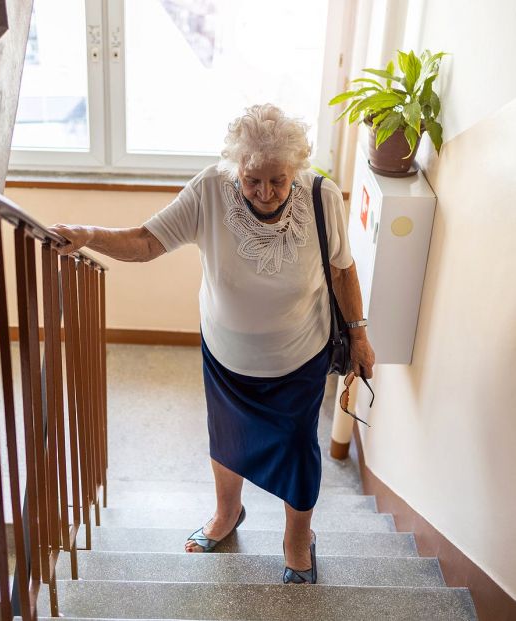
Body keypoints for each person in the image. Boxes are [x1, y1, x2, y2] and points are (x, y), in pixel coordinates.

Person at [50, 103, 375, 584]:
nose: (265, 193)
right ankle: (227, 516)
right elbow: (146, 241)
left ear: (296, 170)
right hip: (227, 357)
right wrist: (88, 235)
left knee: (297, 449)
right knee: (227, 440)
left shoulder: (323, 197)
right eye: (253, 180)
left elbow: (342, 269)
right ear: (236, 169)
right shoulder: (209, 189)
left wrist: (361, 335)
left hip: (299, 357)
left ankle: (297, 540)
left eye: (278, 180)